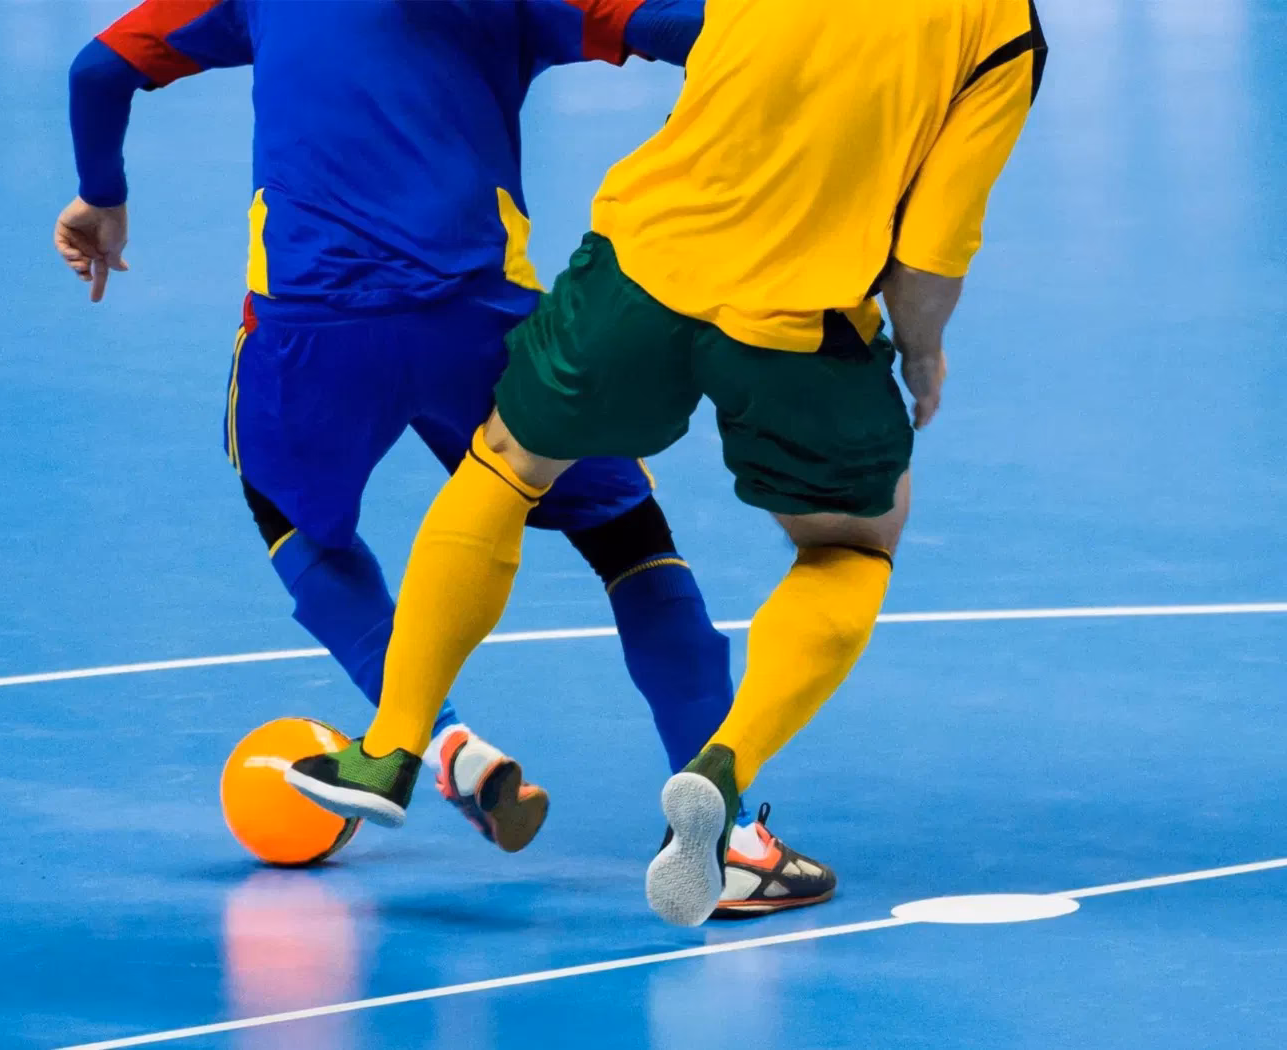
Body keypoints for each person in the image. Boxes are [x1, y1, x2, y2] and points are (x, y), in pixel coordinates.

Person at [56, 0, 837, 918]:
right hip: (483, 324)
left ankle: (433, 743)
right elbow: (696, 30)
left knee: (291, 515)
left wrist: (102, 195)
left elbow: (98, 71)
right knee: (630, 538)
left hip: (313, 334)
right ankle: (730, 838)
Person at [288, 0, 1048, 926]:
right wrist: (921, 352)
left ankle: (391, 744)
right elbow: (931, 252)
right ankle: (720, 780)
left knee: (503, 465)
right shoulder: (1002, 29)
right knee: (852, 544)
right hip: (797, 323)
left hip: (639, 272)